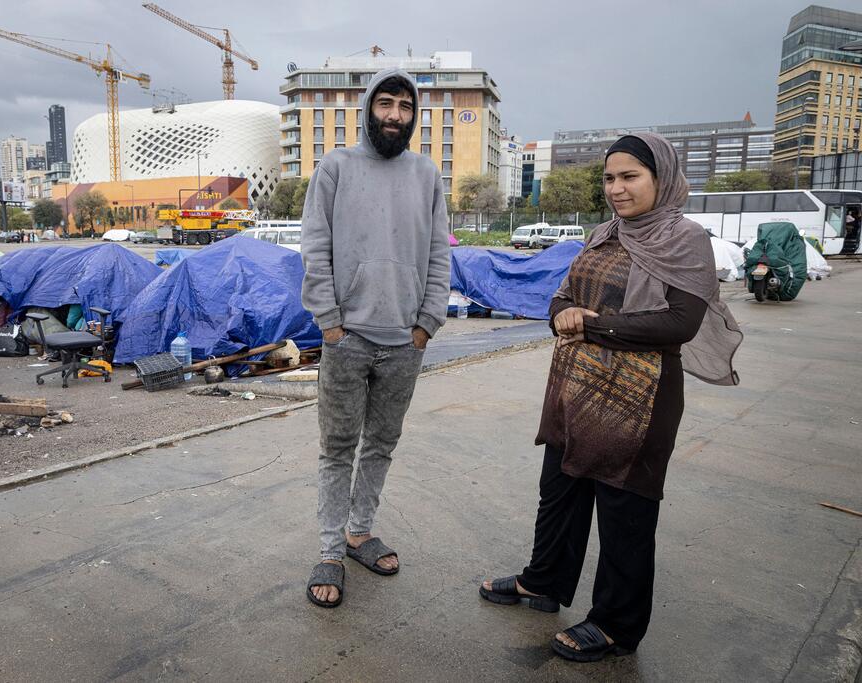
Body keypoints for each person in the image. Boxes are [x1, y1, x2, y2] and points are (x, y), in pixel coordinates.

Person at [479, 133, 743, 661]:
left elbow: (680, 322)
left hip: (640, 397)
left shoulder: (685, 239)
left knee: (625, 509)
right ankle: (544, 582)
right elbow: (564, 295)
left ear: (660, 179)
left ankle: (617, 624)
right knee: (561, 489)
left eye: (630, 177)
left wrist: (593, 325)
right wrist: (561, 313)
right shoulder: (604, 233)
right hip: (577, 384)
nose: (616, 189)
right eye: (609, 178)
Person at [301, 68, 451, 608]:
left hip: (403, 342)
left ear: (413, 116)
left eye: (404, 107)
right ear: (368, 108)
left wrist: (425, 324)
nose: (394, 114)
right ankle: (328, 550)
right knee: (337, 448)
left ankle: (359, 532)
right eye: (385, 104)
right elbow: (315, 246)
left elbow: (439, 253)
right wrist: (330, 322)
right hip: (347, 338)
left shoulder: (427, 175)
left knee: (382, 445)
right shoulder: (336, 167)